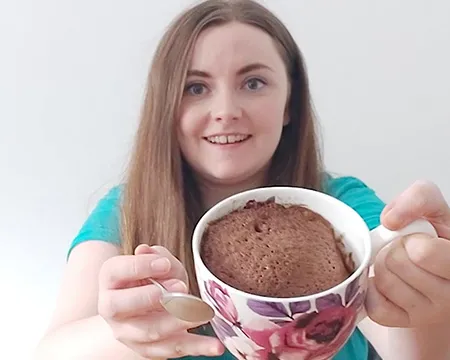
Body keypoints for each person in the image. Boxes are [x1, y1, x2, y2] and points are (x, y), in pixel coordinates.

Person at [34, 0, 450, 359]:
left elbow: (408, 344)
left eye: (253, 83)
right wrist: (125, 330)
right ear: (166, 107)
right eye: (196, 88)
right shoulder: (126, 210)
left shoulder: (342, 208)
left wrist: (432, 294)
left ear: (290, 103)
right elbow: (51, 352)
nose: (226, 109)